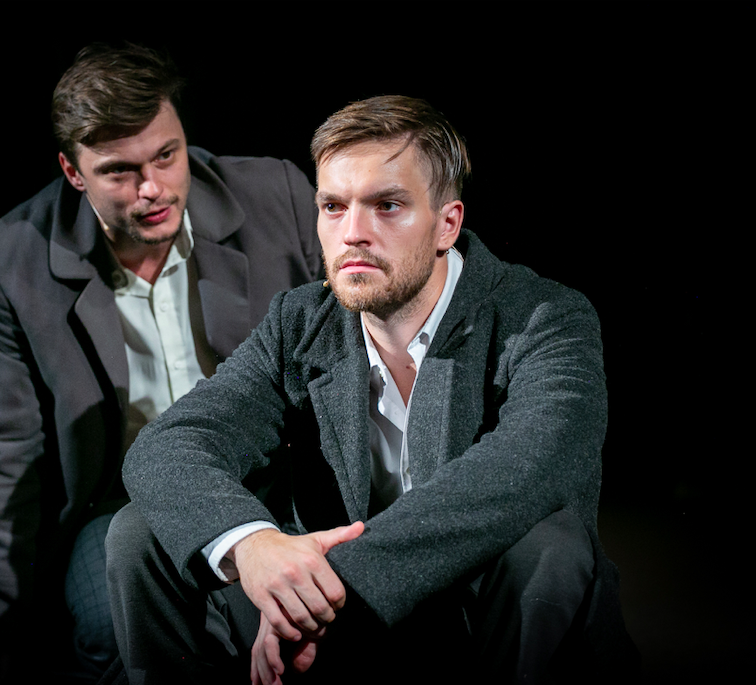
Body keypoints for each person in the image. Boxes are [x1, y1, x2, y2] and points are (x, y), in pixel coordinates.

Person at [107, 96, 638, 684]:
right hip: (345, 636)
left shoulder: (544, 317)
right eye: (333, 207)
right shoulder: (298, 323)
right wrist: (255, 549)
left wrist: (320, 589)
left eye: (387, 206)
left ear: (447, 224)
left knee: (547, 544)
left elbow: (529, 468)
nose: (353, 234)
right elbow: (168, 447)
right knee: (144, 532)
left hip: (476, 625)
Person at [0, 43, 322, 679]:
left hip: (271, 486)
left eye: (166, 156)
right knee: (115, 635)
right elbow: (3, 452)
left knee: (287, 634)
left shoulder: (276, 196)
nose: (152, 189)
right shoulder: (13, 256)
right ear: (73, 171)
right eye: (119, 171)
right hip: (119, 506)